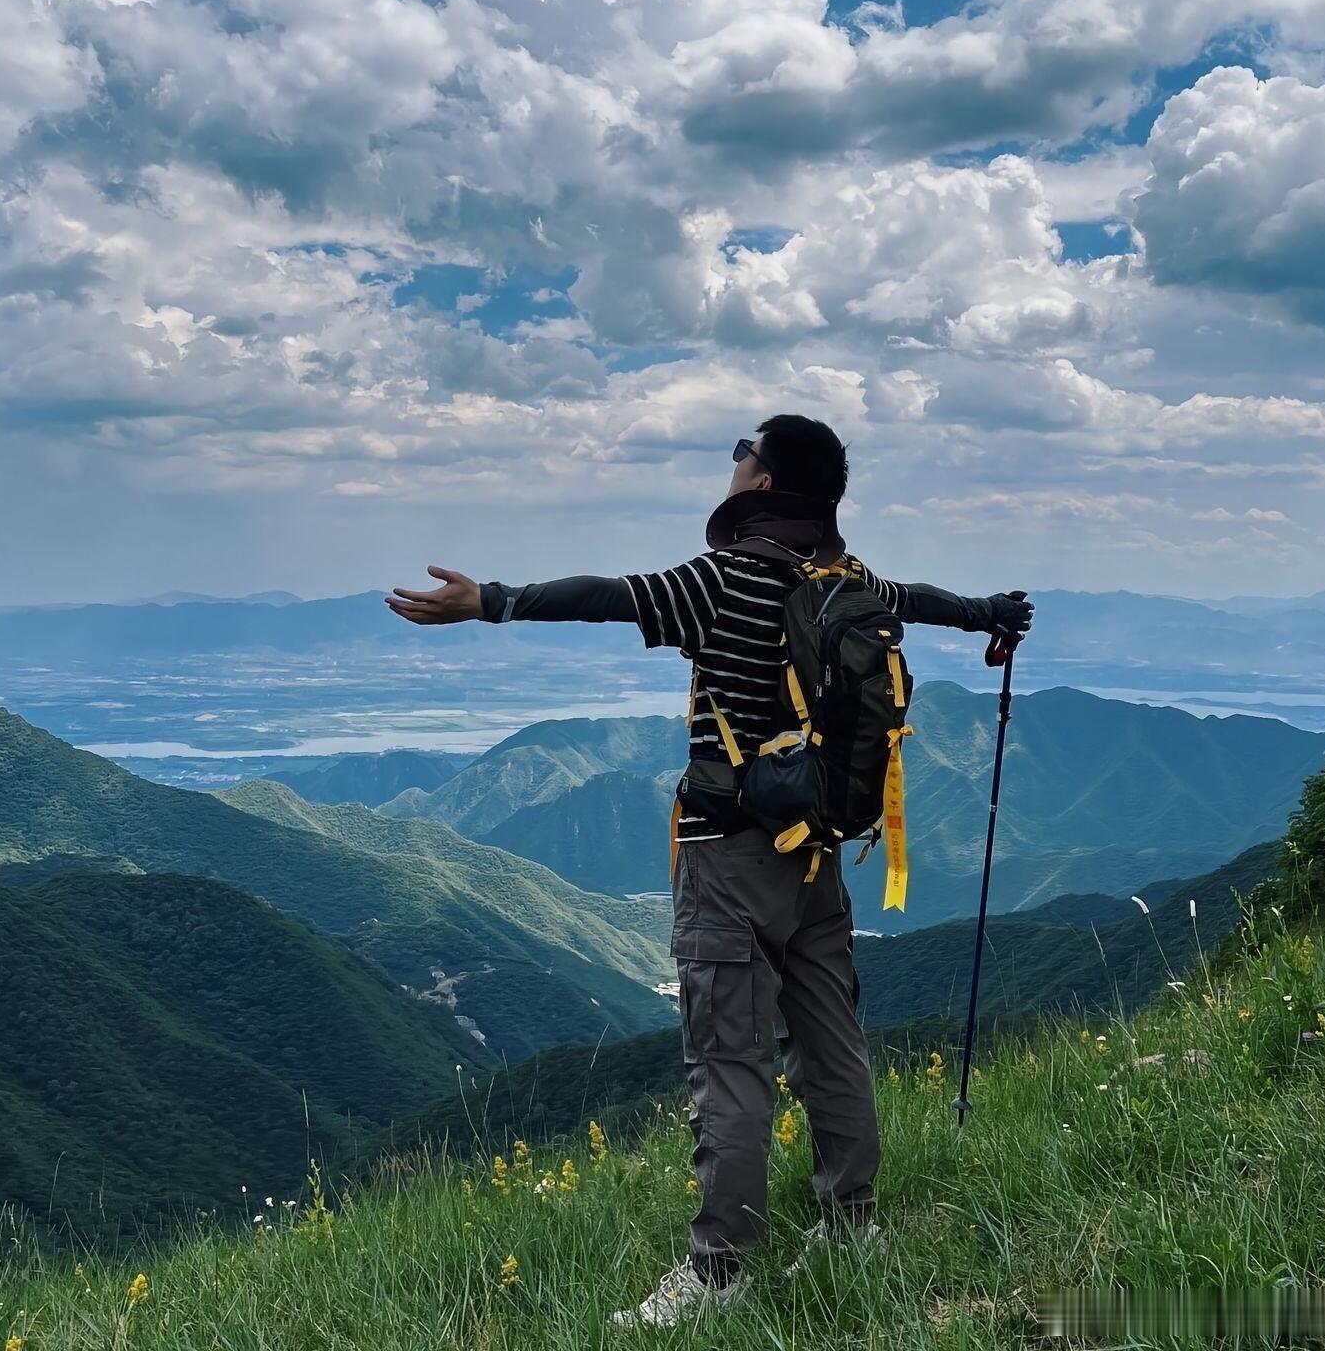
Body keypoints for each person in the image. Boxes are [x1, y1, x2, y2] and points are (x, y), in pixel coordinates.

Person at [387, 413, 1033, 1328]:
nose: (730, 466)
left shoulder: (726, 578)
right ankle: (853, 1227)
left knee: (730, 1063)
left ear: (764, 482)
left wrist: (490, 599)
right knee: (832, 1045)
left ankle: (719, 1279)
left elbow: (613, 596)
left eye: (741, 453)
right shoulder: (844, 580)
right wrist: (988, 617)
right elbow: (914, 600)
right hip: (816, 855)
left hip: (729, 856)